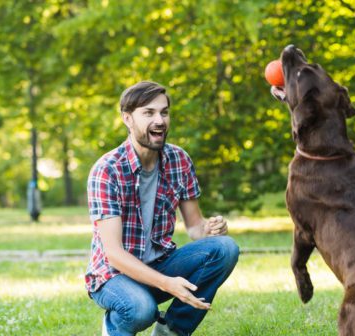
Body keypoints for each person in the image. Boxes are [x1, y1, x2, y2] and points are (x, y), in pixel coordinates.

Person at [85, 81, 239, 336]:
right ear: (128, 119)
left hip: (160, 264)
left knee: (225, 248)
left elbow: (194, 227)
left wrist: (211, 229)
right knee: (140, 309)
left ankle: (171, 331)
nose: (160, 120)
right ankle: (114, 329)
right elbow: (114, 254)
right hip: (114, 276)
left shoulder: (179, 160)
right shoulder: (107, 170)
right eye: (148, 113)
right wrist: (168, 284)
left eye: (164, 112)